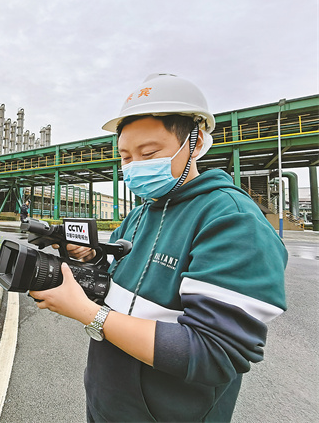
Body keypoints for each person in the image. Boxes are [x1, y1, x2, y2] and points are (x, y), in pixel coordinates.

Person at [30, 74, 287, 422]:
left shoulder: (232, 220)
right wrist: (88, 256)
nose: (135, 166)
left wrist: (90, 315)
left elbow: (214, 352)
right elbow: (115, 283)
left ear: (196, 142)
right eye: (125, 157)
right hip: (106, 406)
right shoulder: (138, 215)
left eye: (149, 153)